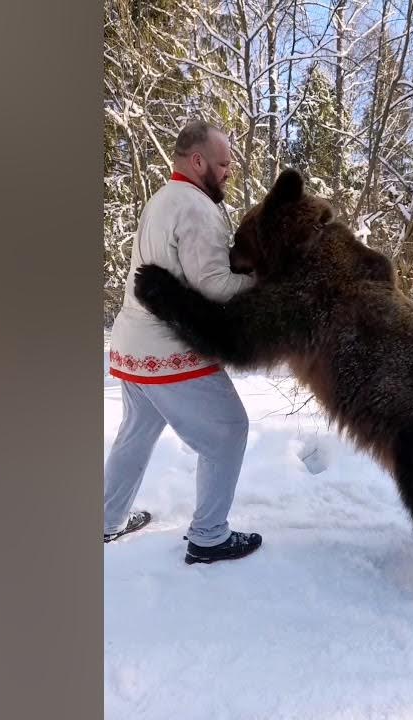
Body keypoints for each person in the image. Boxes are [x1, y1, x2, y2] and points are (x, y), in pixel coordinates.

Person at [103, 120, 262, 564]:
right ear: (198, 161)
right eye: (224, 163)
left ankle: (104, 521)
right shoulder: (195, 207)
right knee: (228, 431)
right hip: (167, 349)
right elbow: (213, 286)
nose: (229, 171)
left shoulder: (163, 198)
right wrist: (263, 284)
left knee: (136, 433)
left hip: (132, 345)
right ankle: (209, 536)